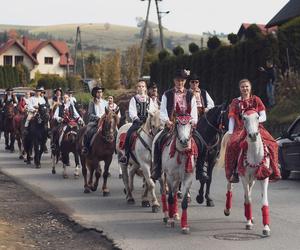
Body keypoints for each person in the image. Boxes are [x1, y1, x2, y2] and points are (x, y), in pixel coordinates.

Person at [152, 69, 209, 182]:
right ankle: (157, 169)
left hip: (187, 126)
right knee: (158, 141)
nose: (180, 83)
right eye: (178, 80)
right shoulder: (167, 94)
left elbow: (193, 111)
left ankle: (200, 171)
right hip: (172, 124)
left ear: (185, 81)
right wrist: (167, 121)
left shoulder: (190, 94)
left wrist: (192, 122)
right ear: (174, 81)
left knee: (202, 144)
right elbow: (162, 110)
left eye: (182, 80)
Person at [225, 79, 281, 183]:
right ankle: (234, 172)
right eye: (242, 87)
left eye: (246, 86)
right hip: (241, 128)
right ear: (239, 89)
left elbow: (263, 116)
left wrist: (253, 120)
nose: (245, 88)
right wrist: (230, 132)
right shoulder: (235, 102)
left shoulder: (256, 99)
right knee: (232, 144)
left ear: (250, 88)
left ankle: (274, 169)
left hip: (256, 127)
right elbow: (232, 118)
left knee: (273, 144)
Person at [119, 80, 156, 165]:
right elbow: (132, 111)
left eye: (143, 86)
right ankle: (126, 155)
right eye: (139, 86)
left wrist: (151, 117)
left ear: (145, 88)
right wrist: (136, 118)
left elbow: (153, 110)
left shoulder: (149, 99)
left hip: (148, 122)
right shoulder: (134, 99)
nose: (141, 88)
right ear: (137, 88)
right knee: (129, 134)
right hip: (137, 122)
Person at [82, 86, 107, 155]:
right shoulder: (92, 102)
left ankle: (116, 147)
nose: (100, 93)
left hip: (105, 120)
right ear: (95, 93)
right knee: (88, 130)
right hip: (95, 121)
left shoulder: (105, 102)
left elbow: (108, 112)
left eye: (101, 92)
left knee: (115, 130)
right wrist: (98, 118)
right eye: (98, 92)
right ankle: (86, 147)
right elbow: (90, 114)